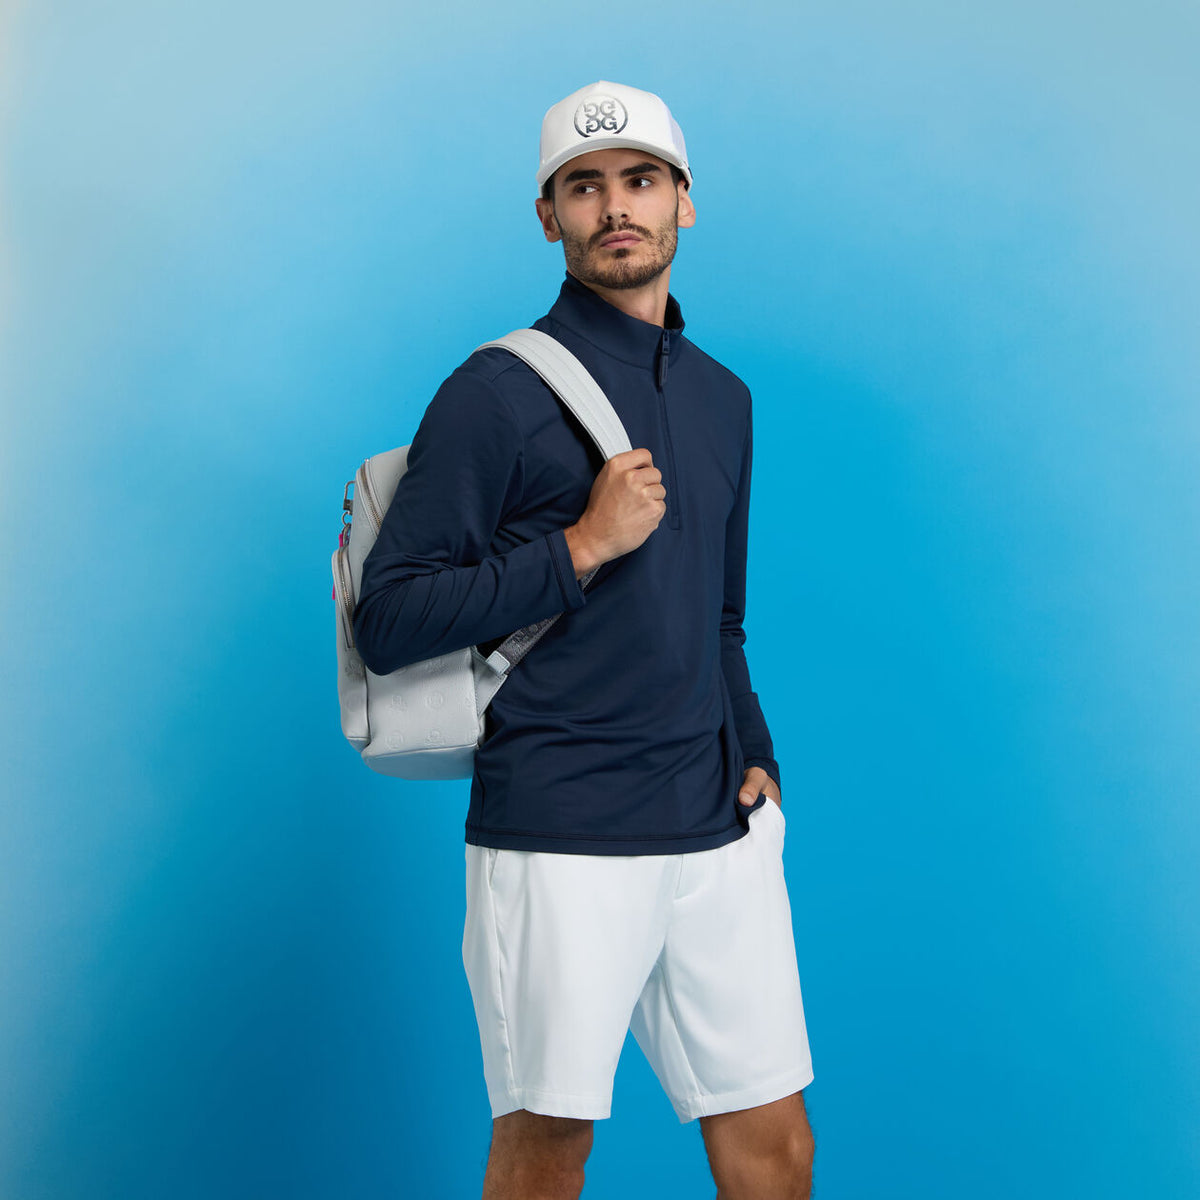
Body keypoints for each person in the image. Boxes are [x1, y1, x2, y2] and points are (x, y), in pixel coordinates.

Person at [353, 80, 815, 1200]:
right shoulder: (495, 391)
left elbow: (719, 616)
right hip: (561, 833)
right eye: (585, 186)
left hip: (713, 829)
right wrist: (581, 546)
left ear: (682, 202)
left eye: (641, 181)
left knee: (775, 1145)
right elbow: (390, 618)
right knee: (549, 1152)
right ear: (549, 216)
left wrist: (755, 750)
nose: (616, 207)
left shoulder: (724, 399)